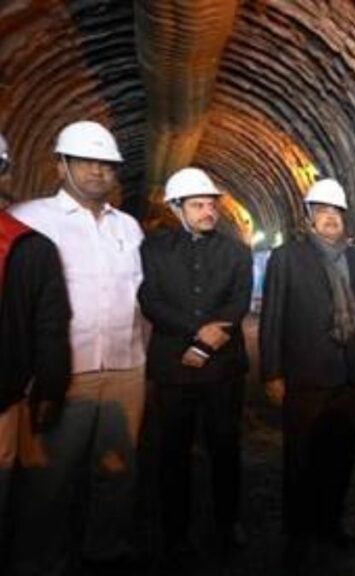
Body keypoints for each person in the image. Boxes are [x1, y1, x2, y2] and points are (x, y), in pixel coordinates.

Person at [9, 120, 147, 572]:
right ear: (60, 164)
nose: (97, 172)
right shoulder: (29, 220)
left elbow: (142, 299)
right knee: (48, 475)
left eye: (107, 164)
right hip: (63, 371)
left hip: (127, 367)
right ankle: (40, 559)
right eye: (86, 161)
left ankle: (104, 549)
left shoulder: (128, 227)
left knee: (118, 470)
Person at [259, 178, 355, 565]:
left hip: (351, 376)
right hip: (306, 376)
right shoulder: (286, 258)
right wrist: (272, 373)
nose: (330, 218)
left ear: (344, 217)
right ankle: (298, 534)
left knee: (340, 456)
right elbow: (272, 318)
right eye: (322, 211)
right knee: (300, 458)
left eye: (336, 212)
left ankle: (330, 523)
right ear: (308, 216)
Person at [137, 167, 252, 560]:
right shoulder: (152, 250)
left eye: (211, 204)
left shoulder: (236, 251)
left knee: (225, 446)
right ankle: (174, 528)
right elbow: (151, 301)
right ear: (175, 207)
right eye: (198, 204)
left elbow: (238, 302)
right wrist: (197, 333)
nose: (208, 211)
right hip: (174, 369)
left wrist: (206, 345)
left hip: (223, 370)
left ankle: (227, 521)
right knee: (172, 450)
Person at [0, 132, 72, 569]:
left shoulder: (31, 246)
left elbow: (49, 328)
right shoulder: (32, 246)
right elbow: (49, 328)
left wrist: (50, 386)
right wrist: (51, 389)